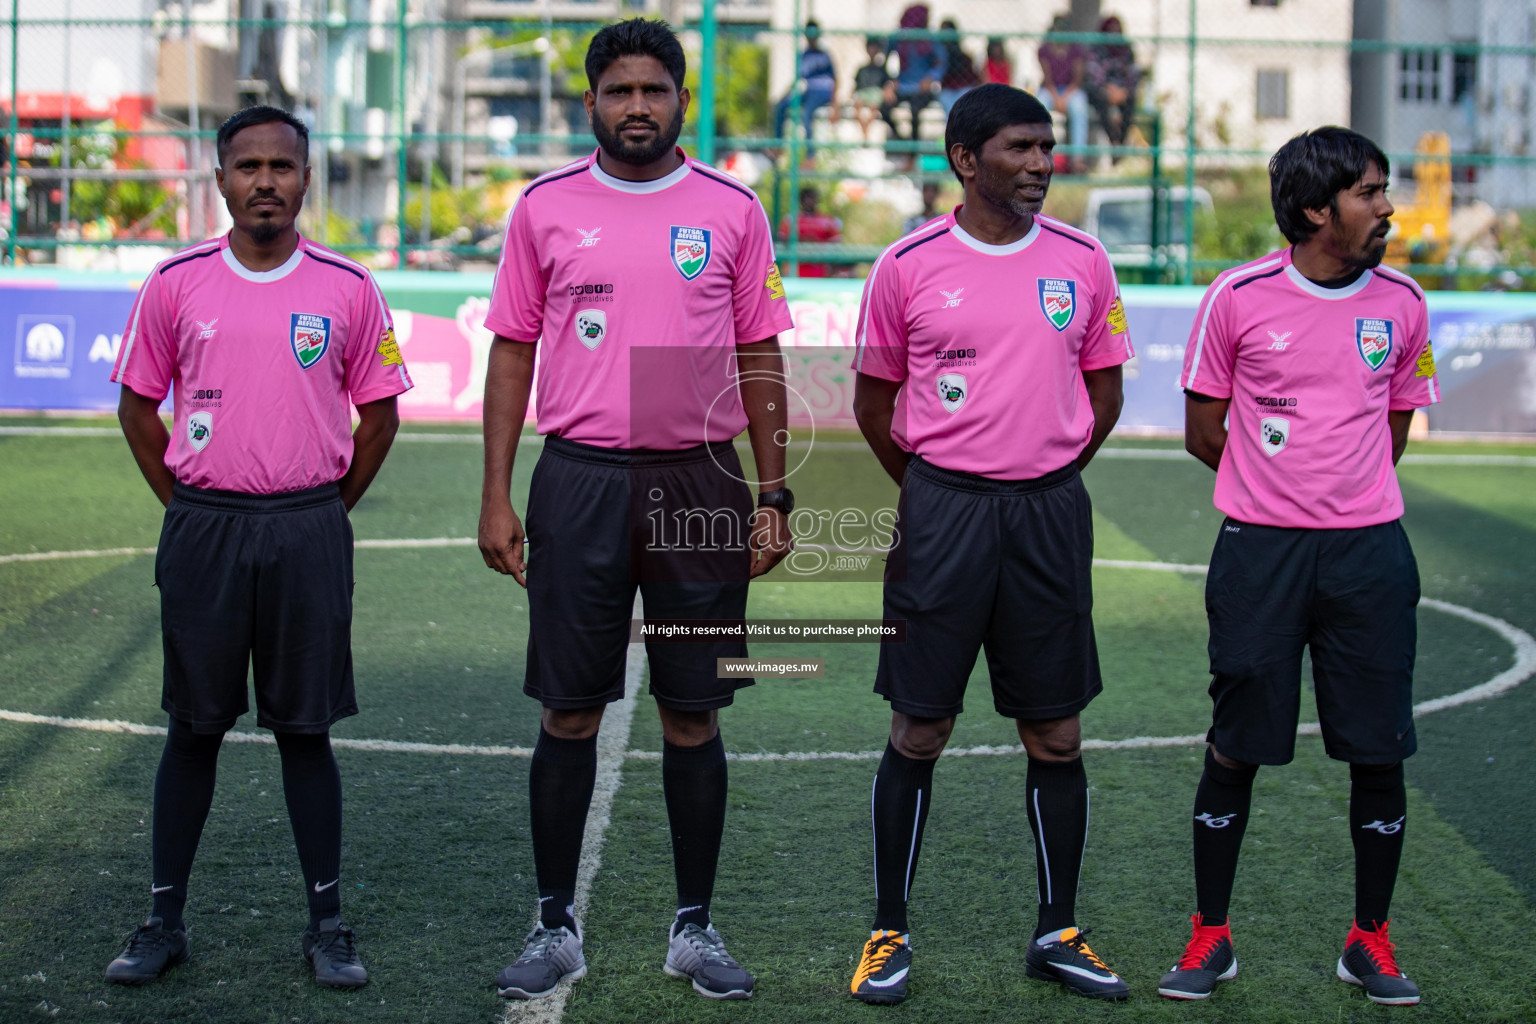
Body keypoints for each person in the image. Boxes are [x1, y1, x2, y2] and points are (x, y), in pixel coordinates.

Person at [478, 17, 796, 1004]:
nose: (638, 108)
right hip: (578, 478)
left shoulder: (733, 209)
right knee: (569, 707)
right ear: (591, 104)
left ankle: (694, 927)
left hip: (700, 479)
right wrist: (496, 492)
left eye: (654, 91)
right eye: (619, 93)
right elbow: (513, 351)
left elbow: (760, 355)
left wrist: (775, 490)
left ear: (681, 101)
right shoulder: (543, 209)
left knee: (692, 710)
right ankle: (553, 921)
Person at [104, 105, 411, 990]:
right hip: (204, 525)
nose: (266, 181)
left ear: (307, 179)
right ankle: (163, 921)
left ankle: (327, 926)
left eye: (283, 166)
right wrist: (188, 505)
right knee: (192, 729)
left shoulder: (347, 288)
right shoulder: (176, 282)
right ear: (221, 179)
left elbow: (380, 416)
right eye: (249, 167)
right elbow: (136, 407)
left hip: (307, 527)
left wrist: (324, 508)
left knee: (304, 732)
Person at [847, 83, 1134, 1006]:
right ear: (966, 160)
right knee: (919, 726)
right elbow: (874, 405)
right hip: (944, 514)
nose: (1042, 163)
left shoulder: (1085, 261)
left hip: (1049, 515)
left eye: (1048, 147)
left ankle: (1058, 930)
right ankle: (888, 930)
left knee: (1055, 729)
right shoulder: (907, 264)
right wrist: (944, 489)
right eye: (1021, 147)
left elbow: (1104, 395)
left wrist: (1038, 468)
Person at [1162, 126, 1439, 1007]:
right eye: (1369, 192)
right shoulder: (1236, 296)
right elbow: (1205, 430)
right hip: (1260, 553)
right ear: (1318, 208)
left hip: (1370, 556)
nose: (1386, 207)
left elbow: (1394, 430)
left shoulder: (1402, 301)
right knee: (1237, 748)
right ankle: (1211, 938)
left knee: (1378, 749)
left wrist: (1340, 497)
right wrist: (1278, 493)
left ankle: (1370, 940)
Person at [771, 20, 837, 155]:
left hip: (823, 91)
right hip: (809, 90)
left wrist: (836, 103)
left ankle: (810, 155)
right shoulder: (803, 56)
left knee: (807, 112)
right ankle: (778, 146)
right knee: (780, 107)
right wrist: (781, 98)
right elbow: (796, 81)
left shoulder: (825, 55)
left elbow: (836, 80)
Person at [1037, 14, 1089, 168]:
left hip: (1071, 90)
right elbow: (1047, 78)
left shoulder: (1076, 50)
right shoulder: (1045, 49)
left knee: (1079, 108)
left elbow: (1077, 79)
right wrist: (1056, 97)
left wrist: (1064, 98)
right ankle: (1039, 153)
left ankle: (1078, 158)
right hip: (1050, 89)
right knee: (1038, 107)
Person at [889, 4, 946, 144]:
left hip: (922, 89)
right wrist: (889, 83)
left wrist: (931, 77)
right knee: (884, 107)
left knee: (915, 110)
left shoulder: (930, 40)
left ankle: (913, 152)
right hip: (903, 85)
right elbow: (884, 60)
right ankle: (901, 139)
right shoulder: (900, 39)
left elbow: (941, 61)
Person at [1086, 16, 1140, 152]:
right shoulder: (1097, 48)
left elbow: (1133, 73)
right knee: (1099, 98)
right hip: (1103, 90)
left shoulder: (1126, 48)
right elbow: (1094, 73)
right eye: (1110, 31)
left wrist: (1124, 91)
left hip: (1122, 91)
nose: (1114, 34)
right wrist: (1109, 89)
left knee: (1131, 100)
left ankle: (1120, 143)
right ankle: (1113, 141)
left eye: (1117, 31)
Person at [780, 185, 843, 277]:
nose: (809, 201)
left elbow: (836, 243)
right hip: (795, 268)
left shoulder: (827, 219)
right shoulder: (790, 220)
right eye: (806, 198)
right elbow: (783, 241)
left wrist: (817, 244)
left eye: (812, 198)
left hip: (820, 269)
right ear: (801, 201)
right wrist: (802, 240)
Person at [851, 36, 899, 142]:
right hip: (863, 94)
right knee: (857, 105)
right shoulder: (862, 69)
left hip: (875, 95)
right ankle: (864, 132)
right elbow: (855, 86)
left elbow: (889, 84)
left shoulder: (882, 69)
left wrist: (889, 89)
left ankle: (865, 132)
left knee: (874, 105)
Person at [936, 18, 981, 115]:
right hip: (947, 90)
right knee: (948, 103)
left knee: (964, 99)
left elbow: (972, 77)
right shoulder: (938, 55)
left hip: (963, 88)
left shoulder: (964, 56)